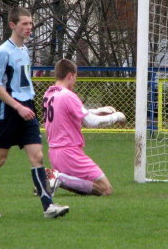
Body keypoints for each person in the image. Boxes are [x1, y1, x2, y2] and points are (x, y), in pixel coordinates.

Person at [0, 6, 69, 219]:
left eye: (31, 23)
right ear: (12, 25)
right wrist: (18, 106)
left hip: (27, 108)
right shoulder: (4, 51)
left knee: (38, 156)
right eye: (24, 24)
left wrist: (28, 105)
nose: (29, 27)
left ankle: (48, 207)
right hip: (9, 110)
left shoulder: (24, 50)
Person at [41, 59, 126, 196]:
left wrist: (98, 110)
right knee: (105, 189)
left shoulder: (49, 94)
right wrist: (116, 117)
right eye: (75, 77)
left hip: (54, 153)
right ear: (69, 75)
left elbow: (70, 112)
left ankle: (56, 178)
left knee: (83, 185)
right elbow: (91, 122)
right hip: (69, 152)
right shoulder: (68, 95)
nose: (75, 80)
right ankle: (58, 178)